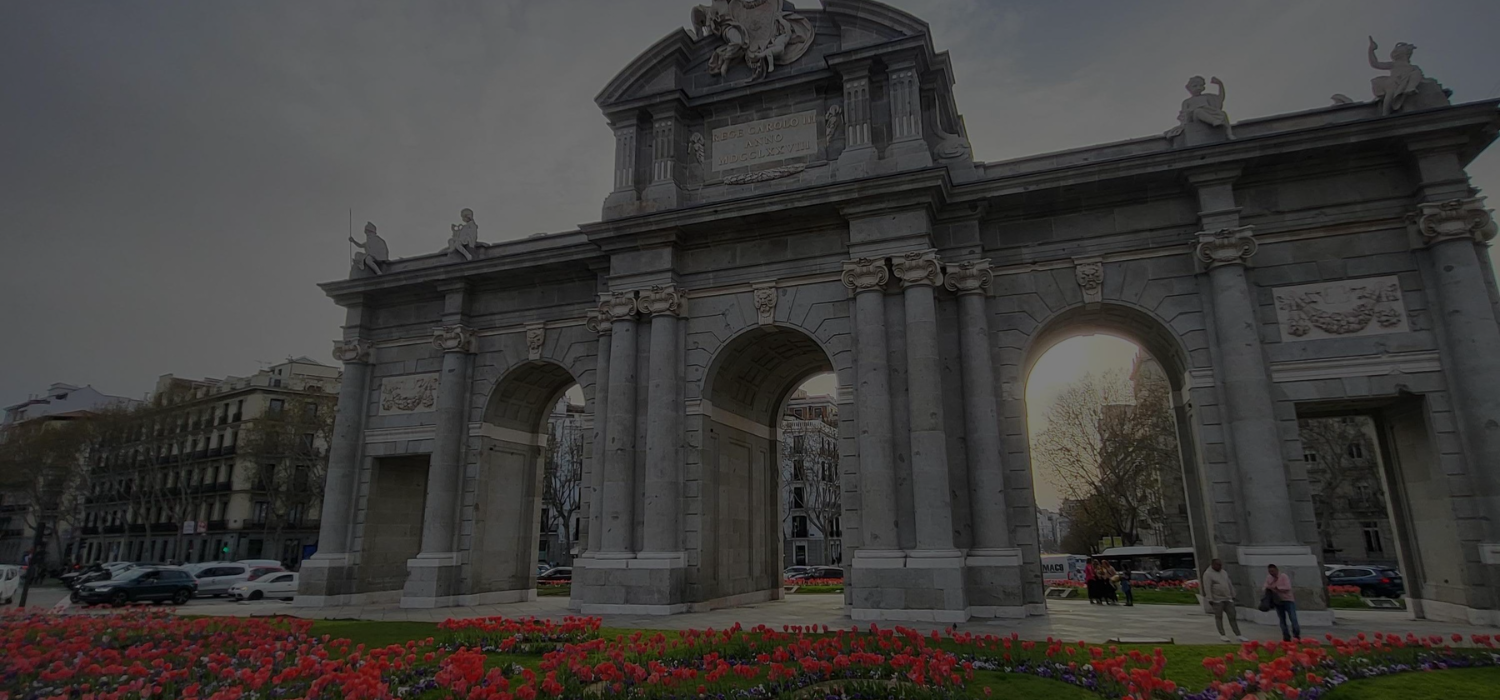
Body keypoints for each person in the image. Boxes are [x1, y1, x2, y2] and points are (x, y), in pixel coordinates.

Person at [1165, 76, 1234, 140]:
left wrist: (1220, 84)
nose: (1198, 88)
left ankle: (1228, 133)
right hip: (1194, 117)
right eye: (1195, 86)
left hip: (1209, 112)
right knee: (1198, 111)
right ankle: (1214, 121)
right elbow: (1184, 114)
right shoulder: (1187, 101)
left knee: (1223, 113)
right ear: (1189, 88)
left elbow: (1219, 99)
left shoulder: (1207, 97)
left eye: (1200, 86)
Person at [1202, 558, 1248, 643]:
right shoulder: (1208, 574)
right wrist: (1210, 598)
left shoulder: (1224, 572)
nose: (1219, 566)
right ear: (1213, 565)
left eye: (1220, 565)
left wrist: (1233, 594)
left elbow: (1229, 583)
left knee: (1232, 616)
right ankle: (1222, 634)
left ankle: (1238, 634)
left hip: (1228, 598)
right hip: (1217, 600)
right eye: (1217, 565)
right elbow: (1207, 587)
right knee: (1219, 617)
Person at [1264, 564, 1300, 641]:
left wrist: (1277, 588)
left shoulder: (1283, 576)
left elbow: (1287, 587)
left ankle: (1296, 635)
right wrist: (1269, 587)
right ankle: (1286, 636)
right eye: (1270, 571)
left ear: (1277, 570)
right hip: (1278, 601)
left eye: (1272, 571)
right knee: (1282, 619)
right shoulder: (1269, 578)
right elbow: (1265, 587)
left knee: (1293, 618)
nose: (1271, 573)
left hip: (1288, 600)